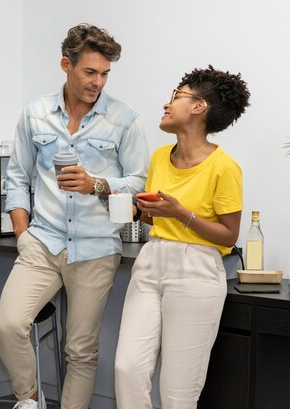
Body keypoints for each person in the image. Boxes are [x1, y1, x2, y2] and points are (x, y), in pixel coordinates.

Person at [0, 23, 149, 409]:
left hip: (97, 247)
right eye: (90, 72)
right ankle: (29, 401)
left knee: (80, 350)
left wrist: (96, 184)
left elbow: (140, 183)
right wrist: (21, 233)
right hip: (42, 243)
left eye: (105, 73)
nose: (98, 82)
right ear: (67, 64)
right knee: (9, 324)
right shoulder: (35, 114)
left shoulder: (124, 119)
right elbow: (16, 176)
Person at [114, 65, 251, 408]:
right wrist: (129, 207)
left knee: (177, 391)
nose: (167, 103)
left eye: (176, 96)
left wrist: (180, 213)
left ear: (198, 106)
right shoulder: (161, 157)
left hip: (197, 271)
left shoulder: (224, 167)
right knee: (127, 368)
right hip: (151, 262)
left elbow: (229, 234)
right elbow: (151, 215)